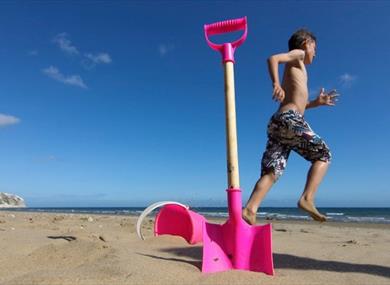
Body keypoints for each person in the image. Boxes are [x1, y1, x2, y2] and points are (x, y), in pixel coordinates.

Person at [242, 29, 338, 224]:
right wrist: (276, 84)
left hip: (279, 124)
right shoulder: (299, 55)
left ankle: (250, 208)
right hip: (289, 119)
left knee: (272, 171)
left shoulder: (300, 68)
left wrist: (315, 103)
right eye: (315, 47)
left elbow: (299, 103)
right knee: (324, 155)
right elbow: (273, 58)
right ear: (305, 43)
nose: (315, 53)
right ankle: (307, 198)